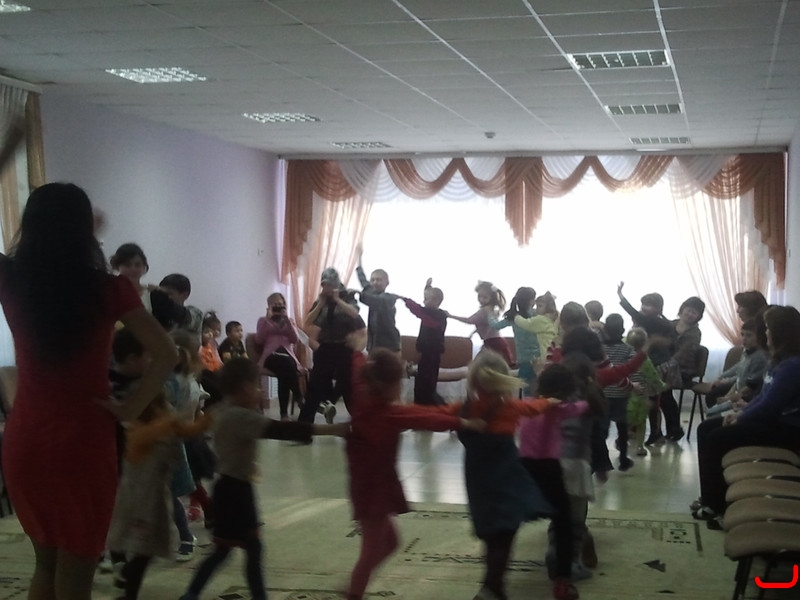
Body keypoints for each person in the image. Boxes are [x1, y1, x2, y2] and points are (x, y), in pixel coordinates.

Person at [0, 183, 177, 600]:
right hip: (84, 437)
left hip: (27, 437)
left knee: (45, 566)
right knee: (76, 570)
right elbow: (167, 353)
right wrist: (130, 407)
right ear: (84, 231)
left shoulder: (11, 279)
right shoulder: (108, 289)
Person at [178, 357, 348, 600]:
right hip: (237, 491)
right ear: (245, 387)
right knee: (250, 549)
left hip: (224, 488)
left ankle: (192, 593)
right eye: (257, 385)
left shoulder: (219, 409)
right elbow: (283, 430)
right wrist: (333, 429)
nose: (259, 391)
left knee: (224, 550)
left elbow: (197, 430)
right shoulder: (242, 417)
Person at [344, 341, 485, 600]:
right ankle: (353, 591)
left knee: (390, 543)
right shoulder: (387, 414)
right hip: (373, 491)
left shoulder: (365, 406)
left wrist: (457, 412)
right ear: (390, 386)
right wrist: (464, 422)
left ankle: (354, 585)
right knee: (370, 551)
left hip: (369, 485)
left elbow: (420, 412)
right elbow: (426, 418)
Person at [437, 350, 558, 600]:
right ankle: (491, 589)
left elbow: (434, 417)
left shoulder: (463, 409)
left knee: (492, 534)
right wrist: (551, 401)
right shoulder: (509, 407)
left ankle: (495, 588)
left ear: (473, 380)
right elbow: (533, 408)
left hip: (478, 481)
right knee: (505, 534)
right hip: (506, 479)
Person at [691, 306, 800, 529]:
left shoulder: (793, 366)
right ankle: (711, 499)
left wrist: (741, 418)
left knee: (717, 438)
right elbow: (763, 397)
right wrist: (742, 412)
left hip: (787, 430)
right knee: (706, 429)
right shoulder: (778, 361)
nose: (765, 333)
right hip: (771, 422)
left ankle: (719, 505)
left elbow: (769, 406)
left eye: (768, 328)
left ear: (780, 333)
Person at [106, 392, 211, 600]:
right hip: (139, 502)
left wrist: (214, 414)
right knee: (144, 552)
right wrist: (178, 414)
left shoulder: (162, 424)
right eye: (162, 405)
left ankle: (127, 584)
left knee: (147, 552)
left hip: (155, 499)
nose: (167, 408)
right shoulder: (137, 431)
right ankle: (127, 588)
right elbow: (159, 429)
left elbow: (188, 430)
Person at [518, 363, 588, 600]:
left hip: (524, 468)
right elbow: (582, 406)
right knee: (563, 522)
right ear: (567, 390)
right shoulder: (562, 409)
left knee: (510, 521)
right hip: (549, 469)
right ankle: (562, 581)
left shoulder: (526, 404)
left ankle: (494, 575)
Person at [298, 268, 366, 425]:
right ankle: (303, 427)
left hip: (344, 348)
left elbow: (354, 314)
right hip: (325, 347)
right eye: (324, 285)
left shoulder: (347, 296)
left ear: (336, 284)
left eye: (329, 285)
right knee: (315, 386)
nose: (326, 288)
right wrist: (321, 304)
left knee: (347, 386)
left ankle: (361, 423)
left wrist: (337, 300)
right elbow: (308, 321)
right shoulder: (321, 299)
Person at [650, 296, 706, 443]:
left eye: (694, 312)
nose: (690, 314)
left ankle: (670, 429)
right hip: (664, 366)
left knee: (661, 390)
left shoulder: (695, 333)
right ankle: (667, 429)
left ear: (698, 316)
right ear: (682, 310)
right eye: (688, 310)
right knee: (656, 387)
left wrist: (666, 365)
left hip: (683, 369)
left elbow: (683, 354)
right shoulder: (670, 324)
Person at [110, 243, 188, 331]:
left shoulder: (153, 295)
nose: (133, 269)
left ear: (144, 267)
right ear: (118, 267)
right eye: (127, 265)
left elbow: (178, 319)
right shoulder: (109, 293)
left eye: (137, 265)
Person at [255, 293, 307, 420]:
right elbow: (259, 340)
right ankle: (299, 397)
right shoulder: (262, 320)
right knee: (287, 365)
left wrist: (287, 320)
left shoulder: (290, 321)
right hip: (270, 357)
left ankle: (284, 414)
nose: (278, 306)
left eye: (280, 304)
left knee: (284, 372)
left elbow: (294, 340)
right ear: (269, 306)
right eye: (275, 304)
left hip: (288, 357)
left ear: (284, 305)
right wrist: (267, 319)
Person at [697, 319, 769, 409]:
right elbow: (739, 373)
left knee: (714, 407)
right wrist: (726, 390)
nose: (744, 338)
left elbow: (751, 386)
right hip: (738, 392)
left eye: (749, 335)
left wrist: (729, 398)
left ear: (759, 337)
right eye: (742, 335)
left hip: (747, 398)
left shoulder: (759, 358)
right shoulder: (746, 352)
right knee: (713, 407)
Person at [402, 278, 448, 406]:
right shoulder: (433, 313)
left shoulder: (437, 315)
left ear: (436, 301)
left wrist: (405, 300)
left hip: (431, 355)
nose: (423, 301)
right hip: (427, 354)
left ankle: (431, 407)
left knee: (426, 384)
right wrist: (427, 286)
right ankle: (422, 405)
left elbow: (418, 310)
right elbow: (424, 307)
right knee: (422, 382)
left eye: (426, 299)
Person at [600, 314, 636, 471]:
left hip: (602, 393)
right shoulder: (627, 349)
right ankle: (623, 459)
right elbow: (634, 369)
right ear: (622, 330)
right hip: (621, 393)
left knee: (602, 428)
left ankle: (602, 458)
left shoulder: (599, 348)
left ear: (605, 330)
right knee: (622, 427)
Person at [448, 281, 513, 366]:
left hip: (493, 343)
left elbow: (470, 320)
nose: (481, 299)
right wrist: (475, 331)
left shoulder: (484, 311)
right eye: (479, 296)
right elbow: (486, 325)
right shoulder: (493, 309)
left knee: (477, 366)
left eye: (484, 297)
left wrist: (451, 316)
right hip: (495, 341)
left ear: (491, 297)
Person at [624, 327, 666, 457]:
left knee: (625, 421)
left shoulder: (623, 358)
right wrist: (663, 386)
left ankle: (622, 440)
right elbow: (654, 377)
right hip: (642, 397)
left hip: (625, 396)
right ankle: (639, 447)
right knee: (641, 423)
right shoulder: (645, 361)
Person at [493, 286, 541, 394]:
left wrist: (489, 314)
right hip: (539, 358)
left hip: (524, 360)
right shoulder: (537, 314)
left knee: (527, 392)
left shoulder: (513, 317)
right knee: (540, 389)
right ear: (531, 300)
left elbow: (495, 326)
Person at [355, 246, 401, 354]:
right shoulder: (372, 292)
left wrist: (358, 293)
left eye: (379, 280)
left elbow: (375, 301)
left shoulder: (389, 298)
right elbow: (362, 279)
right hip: (373, 344)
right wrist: (359, 258)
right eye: (372, 280)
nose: (375, 282)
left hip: (389, 346)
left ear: (387, 283)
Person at [514, 291, 559, 362]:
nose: (537, 309)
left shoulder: (541, 319)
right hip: (553, 350)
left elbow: (526, 324)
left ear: (548, 307)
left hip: (546, 352)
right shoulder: (553, 318)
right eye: (536, 306)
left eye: (540, 306)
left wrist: (515, 317)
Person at [158, 273, 204, 342]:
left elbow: (186, 317)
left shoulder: (196, 313)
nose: (164, 297)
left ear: (185, 295)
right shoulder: (158, 311)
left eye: (169, 294)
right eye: (162, 294)